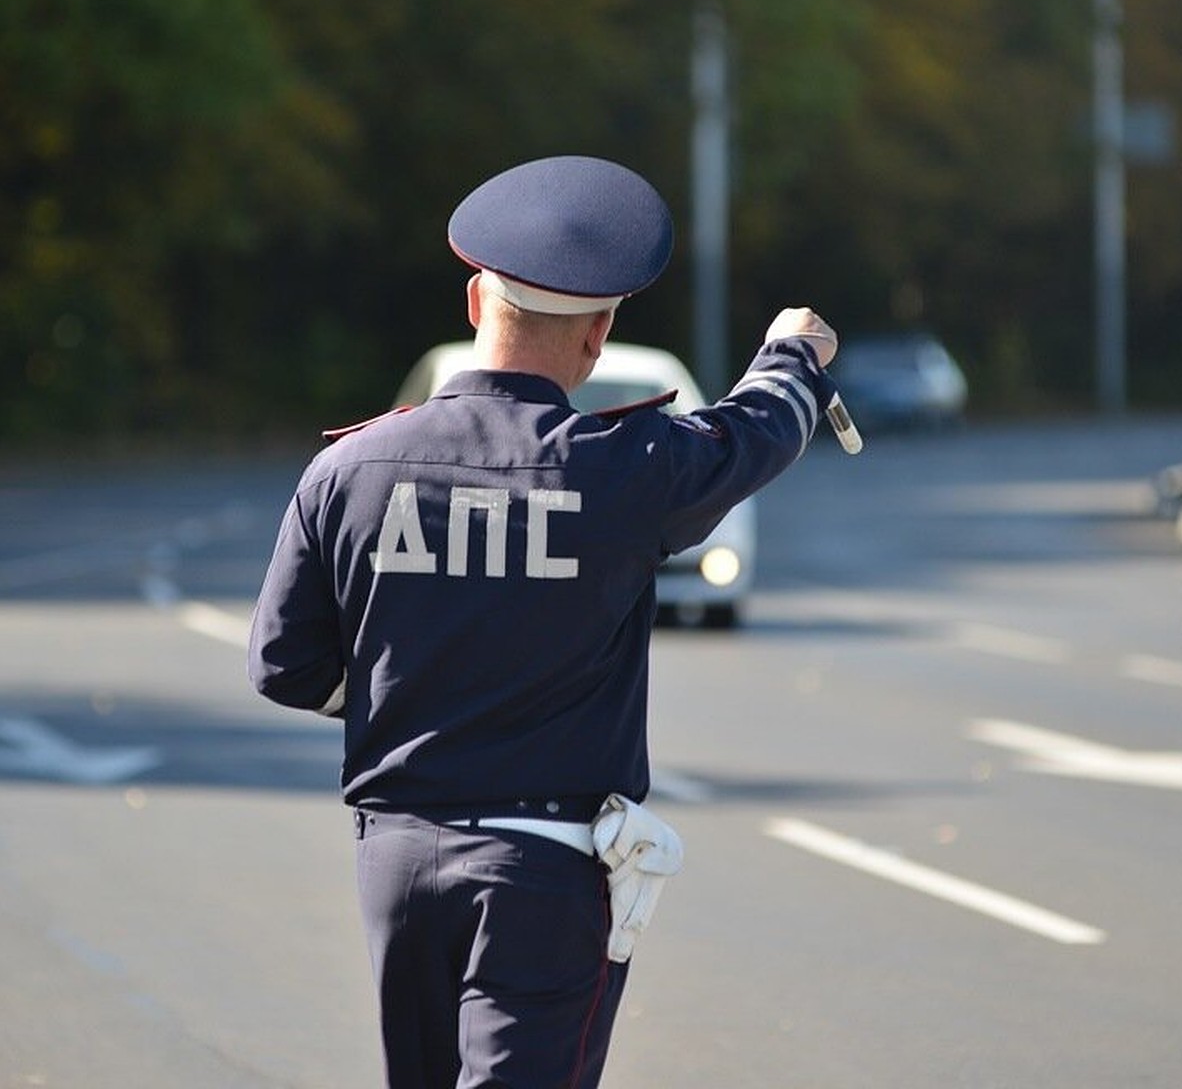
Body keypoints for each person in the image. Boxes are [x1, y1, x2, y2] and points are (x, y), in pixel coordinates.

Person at [248, 154, 840, 1089]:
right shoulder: (622, 468)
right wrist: (793, 355)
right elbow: (752, 435)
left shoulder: (350, 469)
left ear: (476, 302)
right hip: (545, 867)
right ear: (598, 333)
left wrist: (423, 696)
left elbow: (284, 665)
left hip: (396, 854)